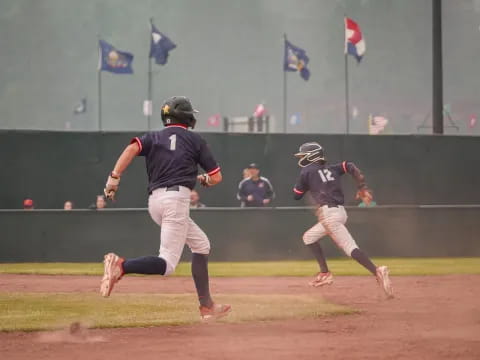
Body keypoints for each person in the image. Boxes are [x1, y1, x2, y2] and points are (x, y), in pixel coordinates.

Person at [101, 96, 231, 321]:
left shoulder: (153, 136)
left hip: (155, 202)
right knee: (168, 264)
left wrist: (114, 178)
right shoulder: (195, 140)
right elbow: (217, 177)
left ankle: (207, 306)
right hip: (176, 200)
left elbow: (132, 148)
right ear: (187, 117)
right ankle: (121, 266)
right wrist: (205, 180)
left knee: (201, 244)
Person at [292, 142, 393, 298]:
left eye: (303, 155)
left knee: (349, 247)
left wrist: (308, 184)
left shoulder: (307, 171)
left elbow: (296, 195)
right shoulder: (332, 168)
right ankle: (324, 273)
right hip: (339, 212)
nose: (302, 158)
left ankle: (377, 271)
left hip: (328, 214)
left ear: (311, 156)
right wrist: (361, 187)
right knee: (309, 237)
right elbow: (349, 166)